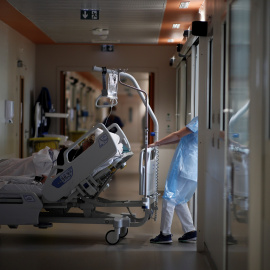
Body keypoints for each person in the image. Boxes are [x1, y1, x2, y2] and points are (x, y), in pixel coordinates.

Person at [149, 116, 198, 244]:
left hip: (186, 165)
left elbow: (177, 135)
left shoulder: (200, 120)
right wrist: (159, 144)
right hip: (194, 168)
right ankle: (190, 231)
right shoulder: (209, 121)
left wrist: (157, 143)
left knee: (169, 197)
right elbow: (180, 138)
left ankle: (165, 234)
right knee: (180, 199)